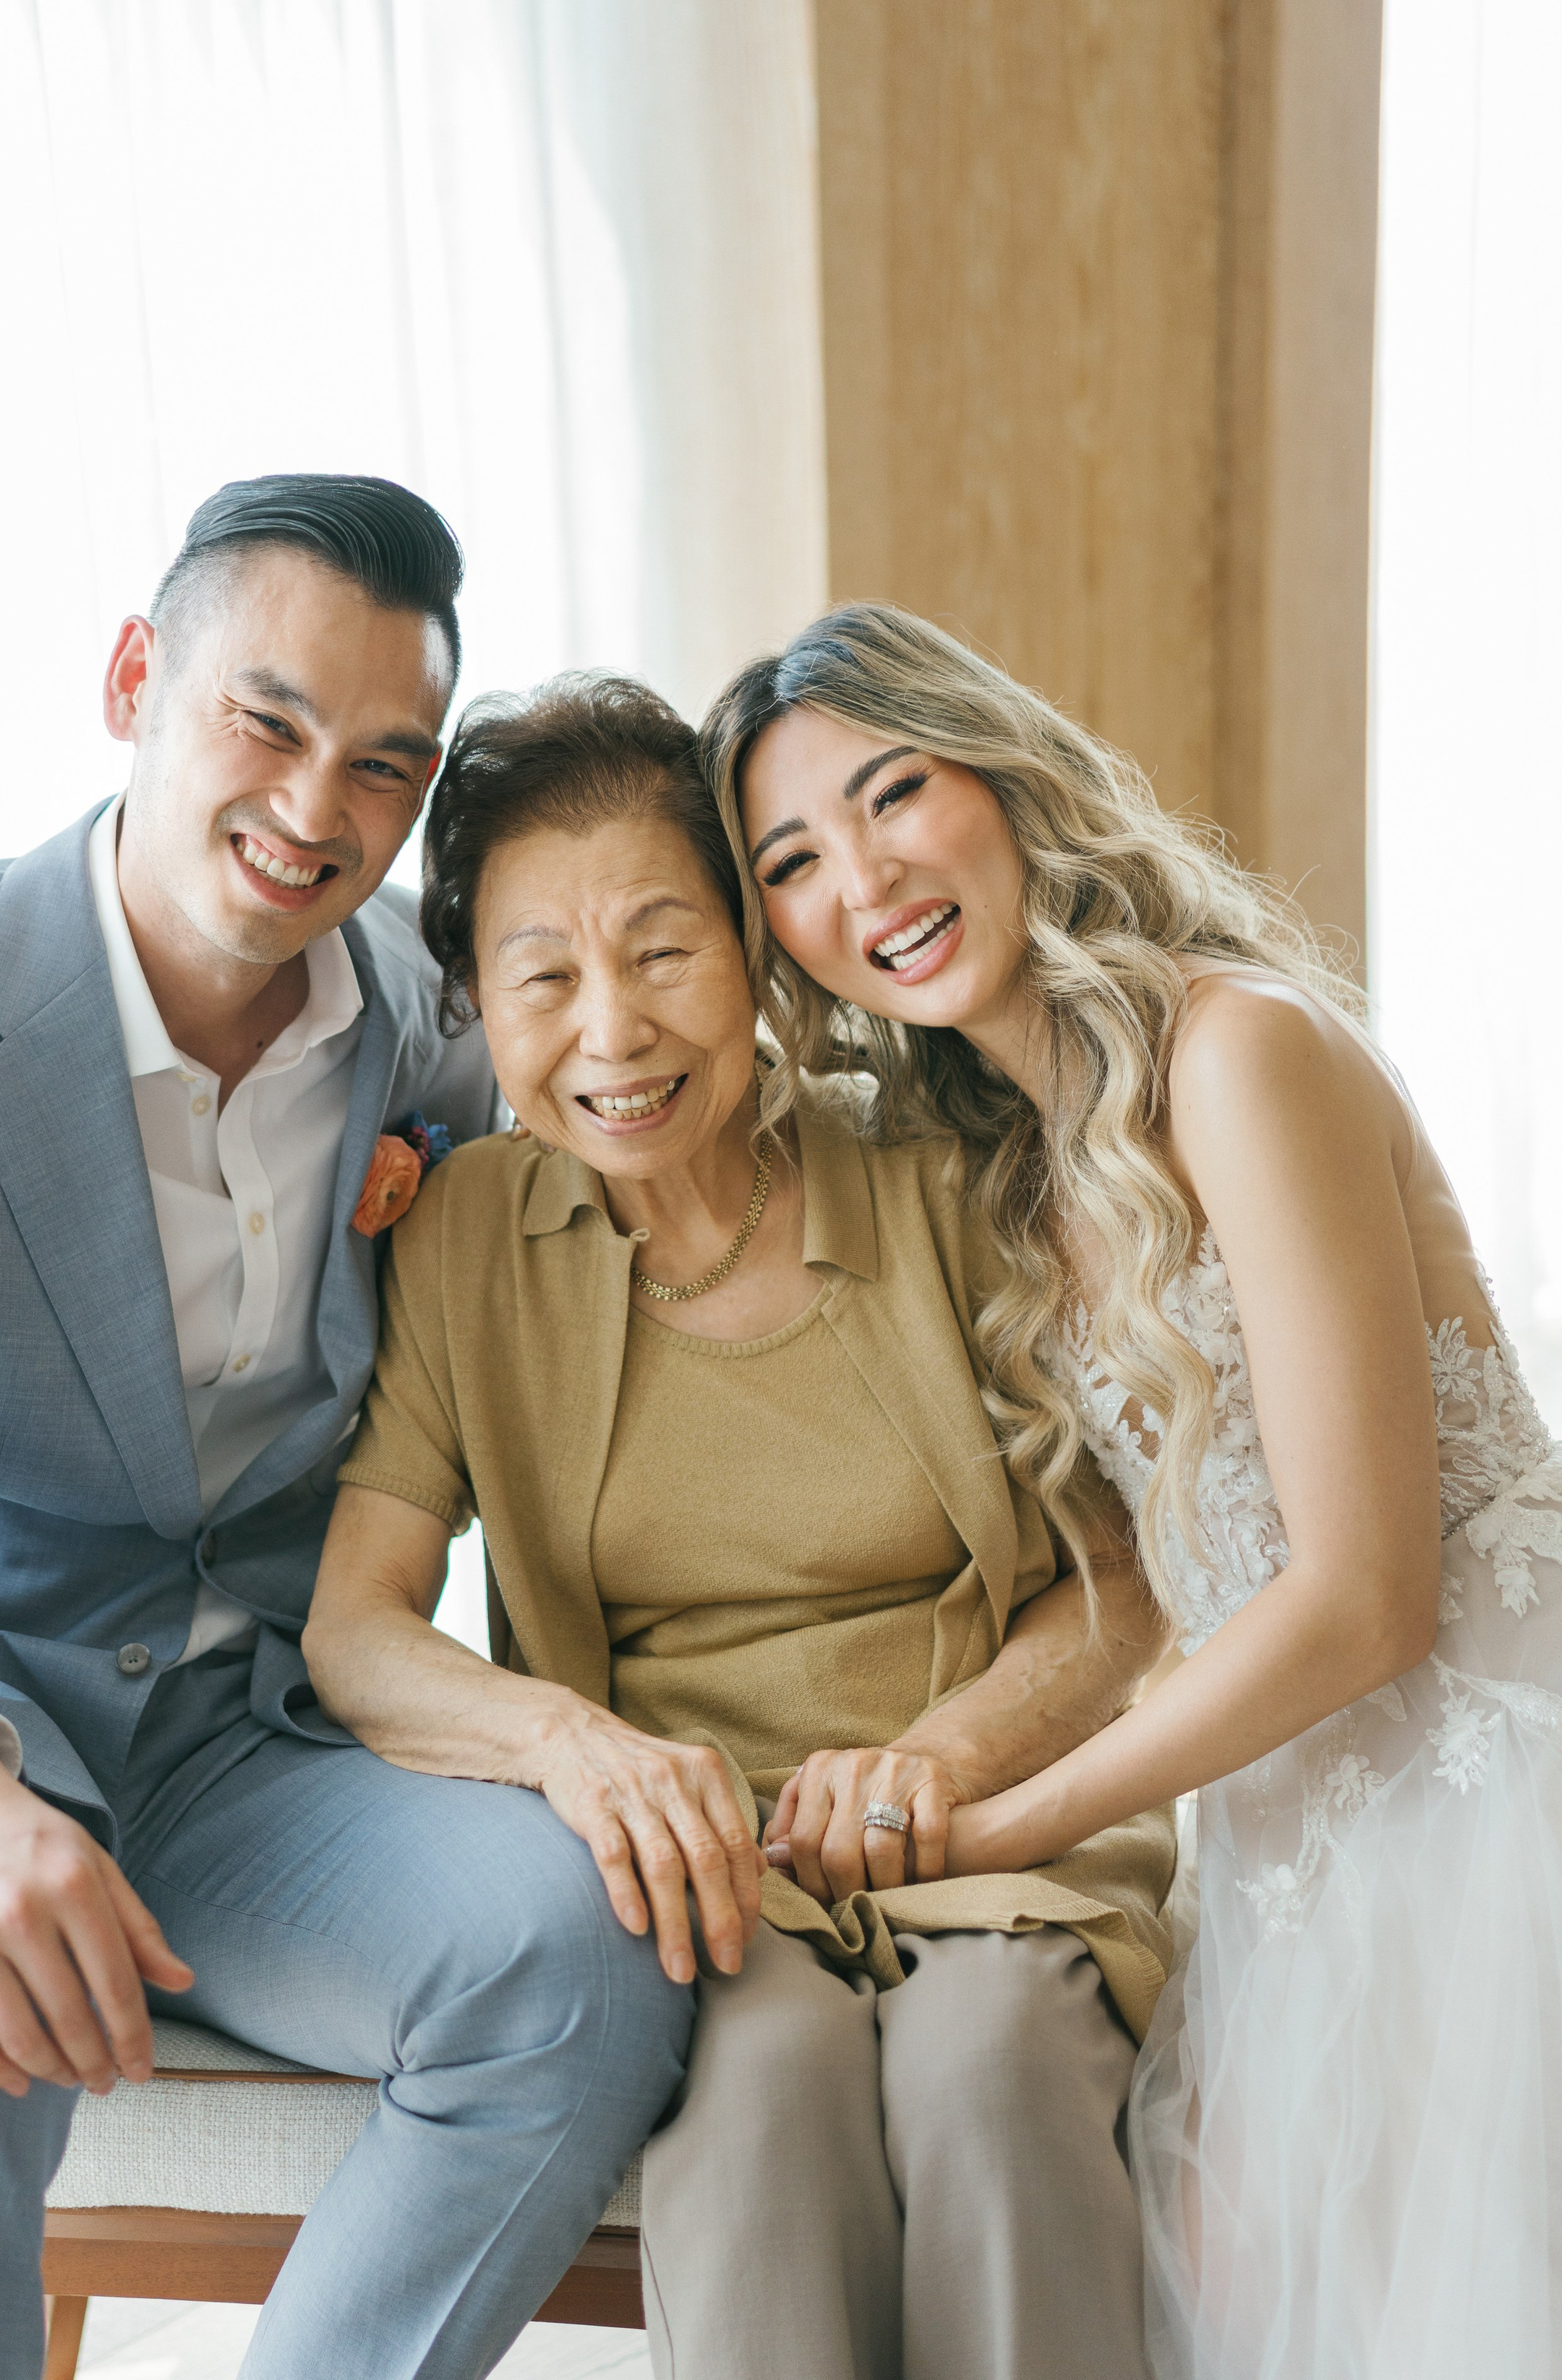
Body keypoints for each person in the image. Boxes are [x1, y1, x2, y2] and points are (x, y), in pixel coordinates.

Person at [0, 477, 693, 2380]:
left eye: (387, 767)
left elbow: (654, 1121)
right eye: (268, 723)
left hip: (256, 1751)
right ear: (134, 679)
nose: (318, 813)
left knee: (589, 1959)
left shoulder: (443, 1016)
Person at [702, 599, 1562, 2380]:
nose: (860, 880)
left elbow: (1360, 1595)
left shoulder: (1240, 1051)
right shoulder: (1006, 1172)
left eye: (892, 794)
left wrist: (1009, 1823)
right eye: (791, 859)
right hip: (1295, 1840)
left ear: (1004, 776)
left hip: (1488, 1803)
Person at [304, 671, 1178, 2380]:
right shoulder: (462, 1235)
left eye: (659, 949)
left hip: (991, 1831)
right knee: (761, 2085)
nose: (610, 1031)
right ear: (476, 1003)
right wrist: (577, 1748)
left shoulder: (935, 1166)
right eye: (540, 976)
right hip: (695, 1883)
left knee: (989, 2058)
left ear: (753, 952)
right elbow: (358, 1624)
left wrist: (942, 1754)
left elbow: (1114, 1583)